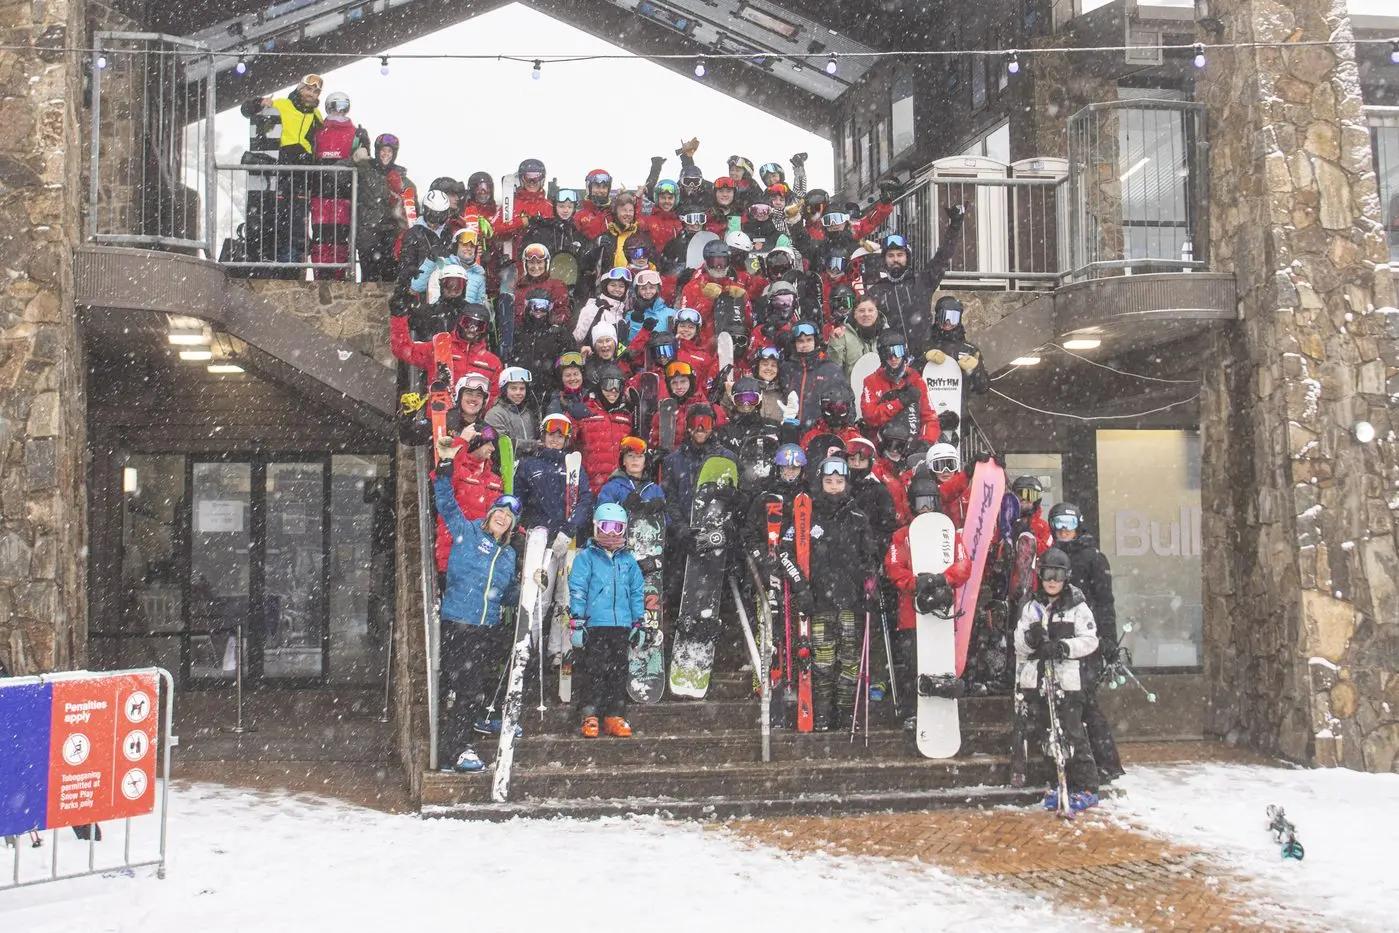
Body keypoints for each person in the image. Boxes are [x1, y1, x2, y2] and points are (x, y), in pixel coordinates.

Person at [775, 457, 879, 732]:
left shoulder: (857, 517)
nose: (834, 487)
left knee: (849, 660)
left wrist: (870, 589)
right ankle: (821, 712)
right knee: (822, 660)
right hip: (818, 601)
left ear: (846, 484)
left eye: (839, 482)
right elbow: (785, 553)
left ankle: (845, 713)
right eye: (829, 481)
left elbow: (870, 558)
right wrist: (801, 587)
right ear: (820, 482)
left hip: (850, 601)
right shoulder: (805, 515)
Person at [432, 450, 519, 773]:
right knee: (462, 690)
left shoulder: (507, 555)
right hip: (458, 623)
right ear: (491, 513)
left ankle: (464, 738)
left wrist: (530, 586)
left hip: (485, 628)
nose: (503, 518)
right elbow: (446, 504)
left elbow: (508, 594)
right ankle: (455, 749)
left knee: (474, 688)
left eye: (509, 517)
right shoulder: (467, 532)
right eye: (500, 512)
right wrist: (444, 471)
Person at [1013, 547, 1101, 811]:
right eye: (1047, 574)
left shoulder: (1077, 606)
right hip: (1040, 680)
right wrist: (1031, 639)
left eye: (1058, 575)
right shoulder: (1032, 607)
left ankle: (1085, 786)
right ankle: (1056, 782)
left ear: (1066, 577)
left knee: (1072, 733)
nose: (1052, 581)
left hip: (1067, 681)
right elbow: (1018, 645)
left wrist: (1064, 647)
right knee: (1047, 735)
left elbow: (1090, 640)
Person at [883, 471, 971, 725]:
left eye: (929, 502)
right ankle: (913, 710)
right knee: (914, 664)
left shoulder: (948, 533)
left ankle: (943, 708)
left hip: (942, 610)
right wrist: (916, 583)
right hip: (911, 613)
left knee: (942, 662)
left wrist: (942, 580)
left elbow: (963, 564)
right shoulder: (902, 536)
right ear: (911, 505)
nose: (925, 508)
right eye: (919, 502)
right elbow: (894, 567)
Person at [1046, 501, 1125, 782]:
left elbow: (1105, 602)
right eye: (1058, 524)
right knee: (1061, 702)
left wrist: (1108, 639)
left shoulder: (1093, 558)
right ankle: (1071, 762)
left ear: (1078, 525)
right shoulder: (1049, 556)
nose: (1063, 530)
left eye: (1069, 524)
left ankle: (1106, 763)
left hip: (1086, 639)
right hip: (1057, 640)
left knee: (1085, 701)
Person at [568, 503, 646, 738]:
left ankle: (614, 714)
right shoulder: (586, 558)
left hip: (621, 625)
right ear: (596, 527)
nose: (611, 533)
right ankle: (589, 714)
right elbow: (578, 589)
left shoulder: (628, 561)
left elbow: (637, 592)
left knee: (618, 671)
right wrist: (577, 621)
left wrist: (638, 622)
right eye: (606, 527)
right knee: (593, 669)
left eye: (617, 528)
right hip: (595, 624)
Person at [240, 74, 324, 268]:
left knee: (297, 225)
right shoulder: (282, 105)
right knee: (277, 221)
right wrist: (259, 103)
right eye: (308, 89)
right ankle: (272, 263)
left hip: (302, 174)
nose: (311, 94)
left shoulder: (316, 116)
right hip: (280, 171)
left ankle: (292, 268)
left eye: (315, 91)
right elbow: (246, 111)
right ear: (300, 88)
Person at [864, 209, 967, 359]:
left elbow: (942, 257)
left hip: (924, 358)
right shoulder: (875, 291)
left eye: (900, 255)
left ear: (907, 257)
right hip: (893, 359)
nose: (895, 259)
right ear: (884, 260)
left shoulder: (922, 281)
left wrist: (954, 227)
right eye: (890, 256)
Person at [516, 412, 595, 567]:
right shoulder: (529, 464)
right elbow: (518, 498)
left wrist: (570, 528)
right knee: (537, 580)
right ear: (543, 436)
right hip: (537, 535)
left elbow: (585, 500)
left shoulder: (574, 466)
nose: (555, 440)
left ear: (566, 440)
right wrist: (521, 529)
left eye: (560, 437)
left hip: (566, 536)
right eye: (551, 435)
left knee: (564, 582)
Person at [391, 300, 503, 405]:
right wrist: (398, 318)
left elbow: (494, 398)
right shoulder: (441, 347)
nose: (472, 329)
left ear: (485, 329)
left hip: (474, 415)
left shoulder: (492, 363)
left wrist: (484, 416)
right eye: (467, 322)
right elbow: (403, 350)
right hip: (440, 414)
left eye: (479, 326)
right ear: (460, 322)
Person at [354, 133, 414, 281]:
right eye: (383, 150)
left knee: (390, 274)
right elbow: (339, 172)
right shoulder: (365, 170)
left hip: (392, 231)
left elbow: (413, 210)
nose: (386, 154)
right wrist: (355, 157)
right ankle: (368, 293)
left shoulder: (403, 180)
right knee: (369, 276)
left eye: (390, 151)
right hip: (368, 231)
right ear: (377, 151)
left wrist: (399, 201)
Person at [860, 330, 939, 442]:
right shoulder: (871, 381)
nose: (893, 358)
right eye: (888, 353)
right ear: (882, 356)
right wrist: (899, 403)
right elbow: (870, 417)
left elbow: (930, 417)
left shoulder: (915, 379)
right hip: (881, 444)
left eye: (898, 351)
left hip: (910, 442)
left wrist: (926, 441)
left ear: (904, 352)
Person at [577, 363, 636, 493]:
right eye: (608, 384)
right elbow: (568, 438)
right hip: (593, 488)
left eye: (618, 385)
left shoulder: (626, 415)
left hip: (621, 489)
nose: (613, 391)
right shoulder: (585, 412)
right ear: (598, 386)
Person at [779, 322, 848, 431]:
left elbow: (847, 403)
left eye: (809, 340)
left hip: (820, 433)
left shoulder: (829, 369)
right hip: (790, 431)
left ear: (815, 341)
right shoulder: (786, 369)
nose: (804, 345)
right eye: (800, 341)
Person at [510, 291, 575, 399]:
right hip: (521, 391)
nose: (539, 310)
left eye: (544, 306)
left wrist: (561, 388)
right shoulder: (517, 332)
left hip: (551, 391)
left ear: (549, 308)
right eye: (534, 305)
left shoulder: (559, 333)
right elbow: (509, 360)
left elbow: (570, 362)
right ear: (527, 306)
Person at [924, 296, 990, 396]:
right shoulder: (925, 346)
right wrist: (924, 359)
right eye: (944, 317)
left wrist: (976, 369)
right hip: (931, 401)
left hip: (958, 402)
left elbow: (983, 388)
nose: (948, 322)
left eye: (953, 318)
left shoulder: (969, 349)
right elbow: (911, 378)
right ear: (937, 317)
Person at [597, 436, 665, 510]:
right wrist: (622, 506)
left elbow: (667, 516)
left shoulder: (655, 490)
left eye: (639, 456)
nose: (635, 459)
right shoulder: (611, 488)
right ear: (623, 461)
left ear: (645, 462)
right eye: (630, 455)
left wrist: (659, 512)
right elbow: (602, 513)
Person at [485, 367, 539, 458]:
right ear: (504, 390)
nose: (518, 392)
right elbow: (501, 444)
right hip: (505, 464)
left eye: (522, 389)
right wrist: (532, 444)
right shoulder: (495, 414)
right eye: (513, 388)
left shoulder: (528, 414)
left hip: (530, 463)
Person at [827, 296, 884, 377]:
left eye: (870, 310)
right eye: (861, 310)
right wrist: (835, 344)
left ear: (877, 313)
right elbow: (834, 370)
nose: (866, 314)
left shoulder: (885, 333)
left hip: (881, 384)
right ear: (854, 314)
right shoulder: (842, 336)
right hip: (852, 384)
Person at [574, 267, 632, 345]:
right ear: (605, 286)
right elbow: (579, 338)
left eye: (621, 286)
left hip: (615, 353)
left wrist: (621, 351)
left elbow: (621, 345)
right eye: (613, 285)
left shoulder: (621, 312)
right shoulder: (594, 308)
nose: (617, 289)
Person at [1011, 476, 1053, 553]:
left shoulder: (1043, 526)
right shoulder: (1005, 522)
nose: (1024, 502)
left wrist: (1028, 535)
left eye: (1030, 497)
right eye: (1020, 497)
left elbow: (1046, 550)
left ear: (1036, 501)